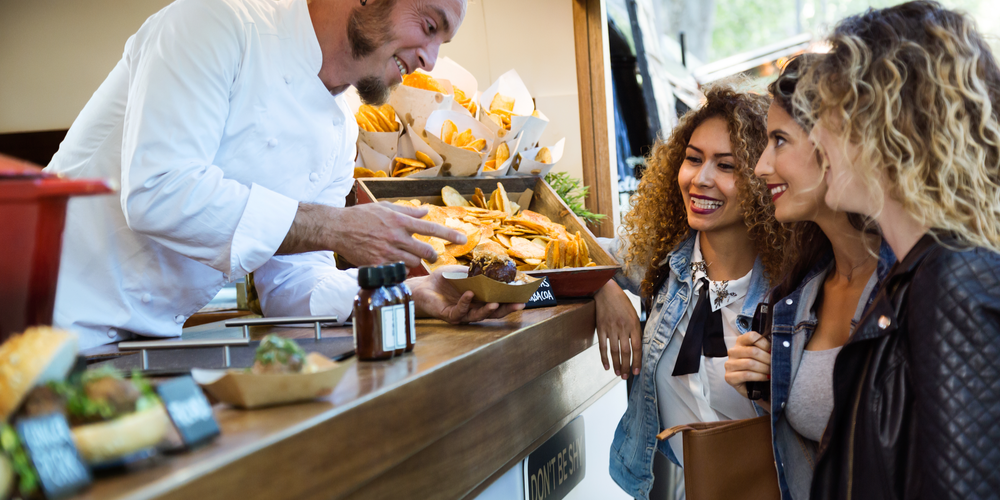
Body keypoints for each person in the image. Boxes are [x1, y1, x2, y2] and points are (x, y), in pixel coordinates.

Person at [44, 0, 523, 350]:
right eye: (428, 24)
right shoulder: (214, 24)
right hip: (41, 321)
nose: (431, 60)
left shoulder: (342, 125)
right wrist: (336, 227)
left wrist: (405, 290)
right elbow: (159, 191)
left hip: (138, 347)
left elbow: (292, 287)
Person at [791, 2, 1000, 498]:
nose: (816, 134)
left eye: (827, 113)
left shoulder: (953, 281)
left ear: (885, 121)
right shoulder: (923, 274)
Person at [600, 82, 787, 499]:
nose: (700, 180)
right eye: (693, 159)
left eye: (726, 166)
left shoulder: (793, 291)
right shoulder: (662, 261)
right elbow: (568, 255)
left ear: (762, 178)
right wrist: (602, 288)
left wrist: (782, 384)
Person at [723, 56, 895, 500]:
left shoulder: (912, 286)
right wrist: (766, 387)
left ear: (838, 144)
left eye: (779, 140)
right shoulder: (801, 294)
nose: (760, 167)